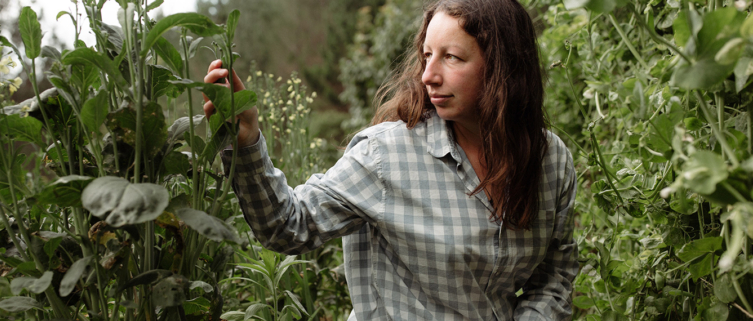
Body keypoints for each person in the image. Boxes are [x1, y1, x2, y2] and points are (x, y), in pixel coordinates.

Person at [203, 0, 578, 319]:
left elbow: (554, 274)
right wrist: (248, 142)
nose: (429, 75)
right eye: (427, 55)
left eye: (451, 57)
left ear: (503, 67)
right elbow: (286, 224)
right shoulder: (387, 155)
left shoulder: (551, 161)